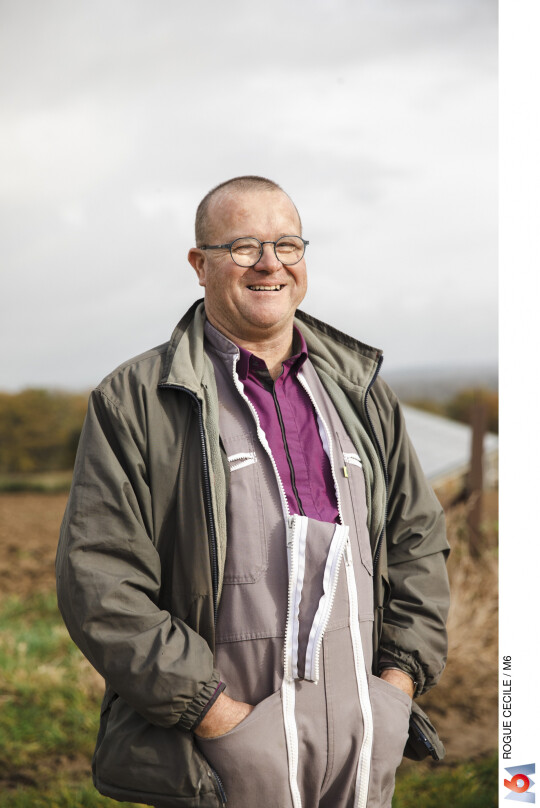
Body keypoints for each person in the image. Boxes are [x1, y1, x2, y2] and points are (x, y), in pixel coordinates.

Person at [56, 175, 450, 808]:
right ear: (199, 264)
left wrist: (396, 688)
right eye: (243, 246)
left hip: (362, 743)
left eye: (287, 244)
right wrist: (218, 719)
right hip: (221, 754)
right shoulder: (135, 401)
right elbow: (99, 580)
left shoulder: (362, 395)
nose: (270, 264)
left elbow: (418, 543)